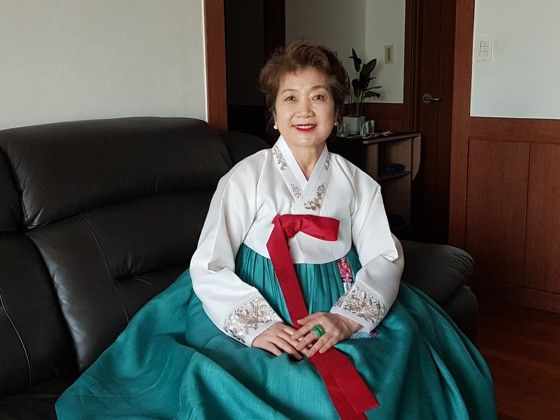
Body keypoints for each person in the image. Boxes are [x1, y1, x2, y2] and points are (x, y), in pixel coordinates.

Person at [56, 42, 496, 419]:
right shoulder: (245, 178)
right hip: (259, 294)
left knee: (397, 360)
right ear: (274, 114)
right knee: (248, 378)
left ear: (335, 110)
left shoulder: (358, 184)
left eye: (318, 97)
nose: (304, 110)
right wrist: (256, 326)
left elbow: (384, 254)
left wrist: (345, 318)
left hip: (336, 296)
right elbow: (210, 261)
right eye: (290, 98)